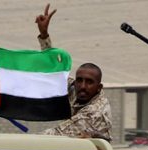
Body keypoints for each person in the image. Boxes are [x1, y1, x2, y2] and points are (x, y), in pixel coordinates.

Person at [35, 4, 112, 140]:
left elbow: (56, 135)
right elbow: (53, 73)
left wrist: (18, 142)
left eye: (89, 82)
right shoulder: (77, 90)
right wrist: (44, 35)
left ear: (99, 88)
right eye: (79, 80)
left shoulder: (95, 112)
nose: (83, 86)